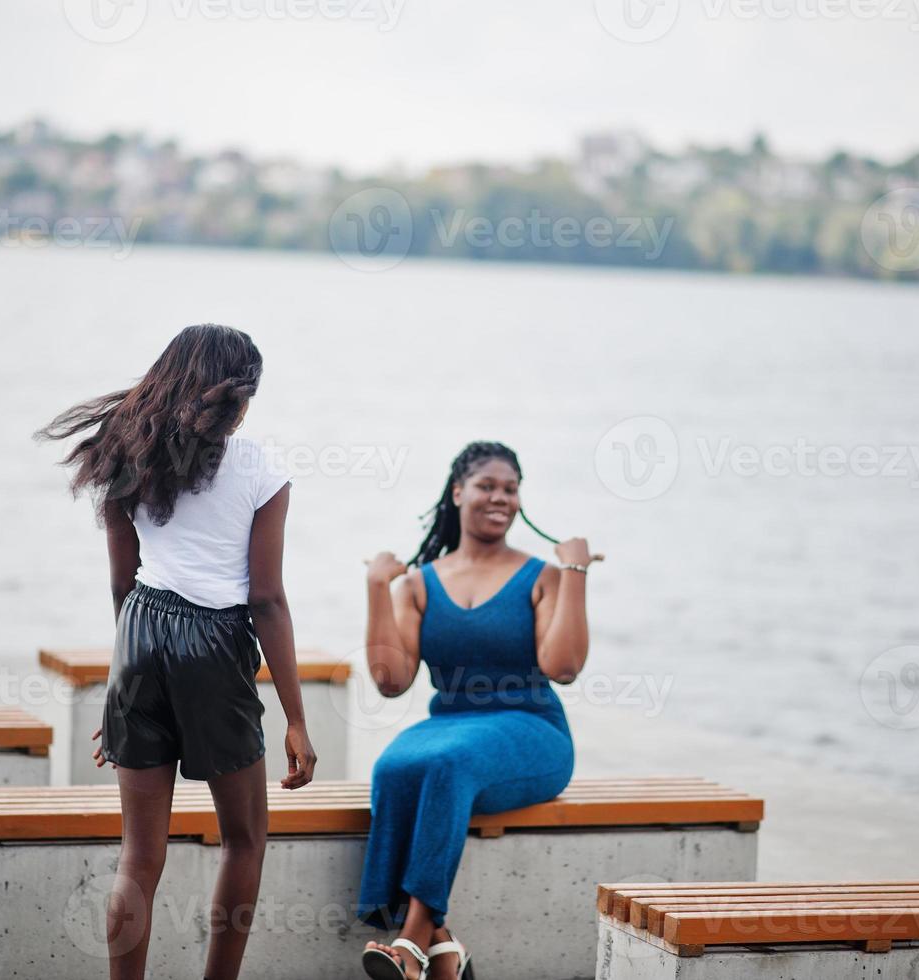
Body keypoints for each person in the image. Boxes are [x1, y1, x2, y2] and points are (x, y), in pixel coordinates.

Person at [37, 323, 318, 980]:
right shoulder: (261, 470)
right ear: (241, 397)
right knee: (245, 839)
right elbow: (267, 600)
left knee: (139, 855)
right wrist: (297, 720)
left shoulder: (124, 451)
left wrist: (121, 691)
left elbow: (120, 581)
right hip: (212, 645)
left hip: (138, 634)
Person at [357, 441, 599, 980]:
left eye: (511, 489)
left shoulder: (543, 575)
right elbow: (391, 682)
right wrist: (377, 588)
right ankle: (445, 955)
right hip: (449, 723)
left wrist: (576, 572)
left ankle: (413, 940)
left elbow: (562, 667)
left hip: (531, 729)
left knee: (448, 764)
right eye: (488, 486)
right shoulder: (419, 583)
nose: (501, 498)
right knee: (392, 767)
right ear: (458, 491)